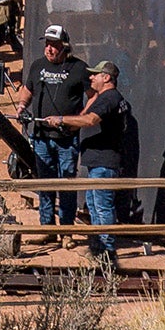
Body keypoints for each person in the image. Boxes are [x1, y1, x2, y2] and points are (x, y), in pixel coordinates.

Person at [47, 60, 131, 263]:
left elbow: (90, 120)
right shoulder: (110, 98)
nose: (91, 77)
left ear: (107, 77)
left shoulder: (109, 98)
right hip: (100, 162)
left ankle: (107, 250)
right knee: (94, 205)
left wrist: (61, 119)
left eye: (95, 74)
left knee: (102, 206)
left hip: (105, 163)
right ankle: (98, 246)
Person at [20, 24, 88, 232]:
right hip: (41, 136)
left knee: (66, 184)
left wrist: (77, 121)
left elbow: (95, 98)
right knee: (45, 183)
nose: (49, 49)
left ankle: (66, 230)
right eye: (47, 44)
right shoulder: (37, 66)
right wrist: (22, 107)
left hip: (66, 138)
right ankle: (47, 228)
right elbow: (27, 89)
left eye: (54, 45)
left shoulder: (79, 68)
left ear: (65, 47)